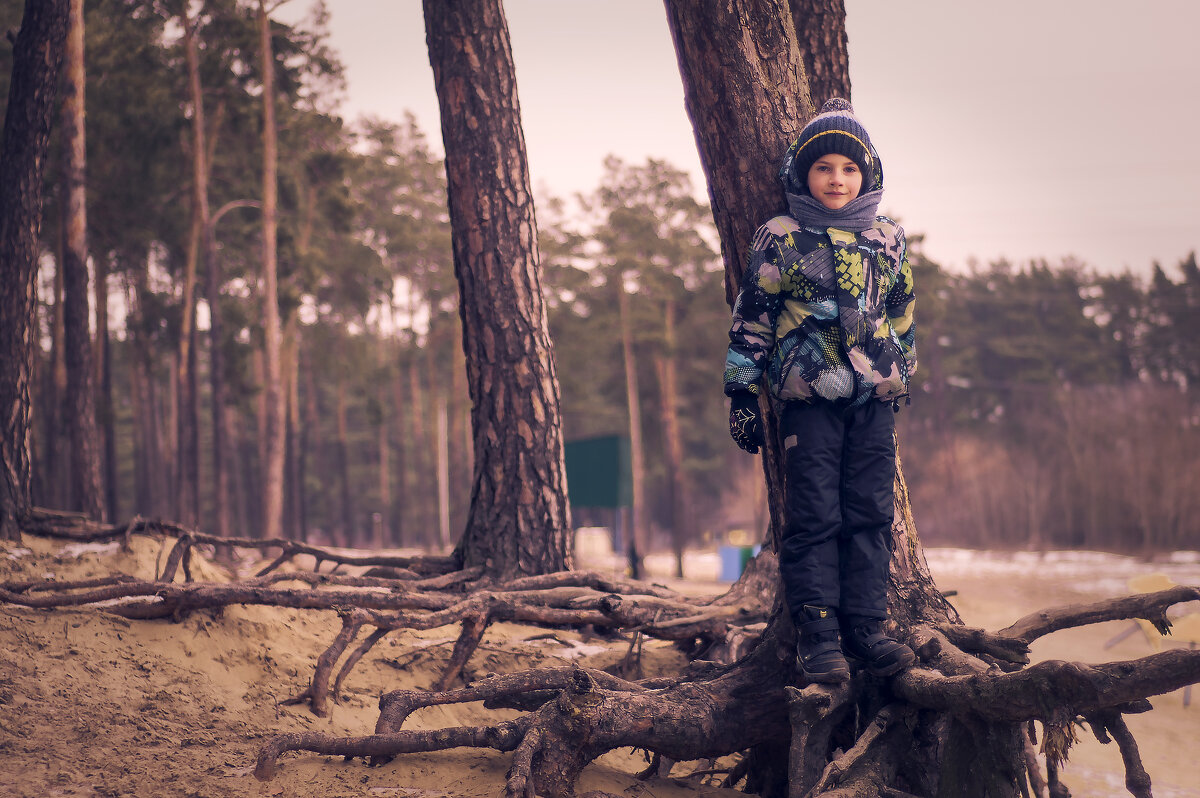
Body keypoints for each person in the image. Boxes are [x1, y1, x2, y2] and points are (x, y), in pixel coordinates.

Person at [723, 98, 917, 683]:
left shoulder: (888, 239)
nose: (837, 179)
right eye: (824, 168)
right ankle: (818, 635)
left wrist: (899, 371)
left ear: (868, 175)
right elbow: (753, 317)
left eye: (849, 169)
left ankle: (866, 627)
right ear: (802, 175)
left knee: (871, 514)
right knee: (813, 517)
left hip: (872, 404)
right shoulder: (781, 237)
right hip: (807, 402)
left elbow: (902, 315)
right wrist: (741, 393)